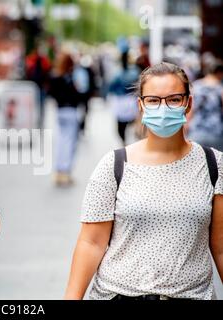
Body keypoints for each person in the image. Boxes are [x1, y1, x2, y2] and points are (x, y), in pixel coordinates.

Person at [64, 62, 223, 300]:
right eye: (153, 100)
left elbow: (220, 246)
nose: (163, 108)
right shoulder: (114, 165)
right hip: (119, 295)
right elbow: (91, 243)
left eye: (174, 99)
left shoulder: (214, 165)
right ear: (141, 105)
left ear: (188, 103)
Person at [47, 53, 80, 187]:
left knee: (61, 141)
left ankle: (59, 170)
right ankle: (65, 171)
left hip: (60, 111)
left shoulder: (55, 77)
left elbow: (51, 93)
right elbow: (77, 95)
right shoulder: (69, 78)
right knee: (69, 142)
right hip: (70, 111)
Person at [187, 63, 223, 151]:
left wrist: (186, 126)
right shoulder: (220, 88)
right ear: (219, 73)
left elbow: (190, 110)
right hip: (216, 132)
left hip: (196, 131)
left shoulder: (195, 86)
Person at [107, 53, 140, 145]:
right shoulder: (135, 72)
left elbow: (111, 87)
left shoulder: (117, 73)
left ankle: (125, 141)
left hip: (121, 100)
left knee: (121, 125)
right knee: (131, 122)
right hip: (130, 100)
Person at [25, 43, 52, 128]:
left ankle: (39, 120)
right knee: (36, 105)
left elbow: (48, 73)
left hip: (39, 87)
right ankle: (35, 120)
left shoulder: (43, 60)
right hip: (34, 86)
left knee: (40, 105)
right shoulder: (33, 59)